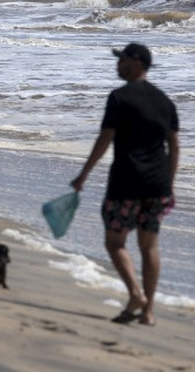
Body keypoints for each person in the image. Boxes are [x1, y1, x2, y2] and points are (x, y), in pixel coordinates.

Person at [71, 42, 180, 327]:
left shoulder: (119, 97)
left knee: (114, 241)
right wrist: (168, 184)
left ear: (138, 63)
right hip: (156, 185)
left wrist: (83, 174)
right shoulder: (165, 101)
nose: (117, 65)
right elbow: (175, 146)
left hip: (126, 182)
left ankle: (136, 294)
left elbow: (105, 139)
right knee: (149, 247)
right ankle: (148, 312)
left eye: (123, 60)